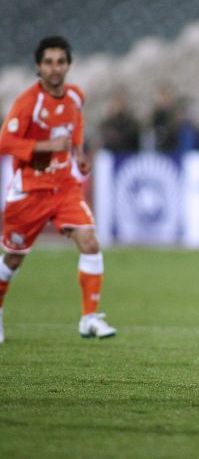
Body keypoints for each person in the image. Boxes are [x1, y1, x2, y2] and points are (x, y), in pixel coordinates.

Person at [0, 36, 116, 344]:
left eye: (61, 62)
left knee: (89, 241)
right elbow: (5, 142)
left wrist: (78, 153)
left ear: (68, 65)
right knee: (13, 259)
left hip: (64, 186)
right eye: (49, 62)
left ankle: (89, 318)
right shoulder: (28, 102)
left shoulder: (75, 96)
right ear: (38, 66)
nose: (55, 68)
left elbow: (74, 124)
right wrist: (46, 145)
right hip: (31, 190)